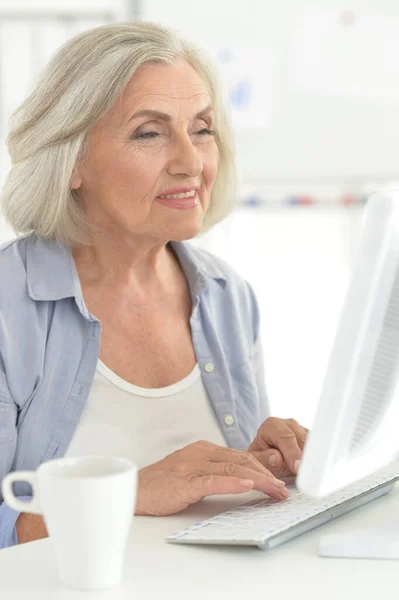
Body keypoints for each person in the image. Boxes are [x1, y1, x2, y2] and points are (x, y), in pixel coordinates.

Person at [0, 22, 308, 549]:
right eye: (150, 132)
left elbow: (209, 500)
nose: (191, 162)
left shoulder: (226, 294)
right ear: (72, 160)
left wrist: (260, 465)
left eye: (203, 129)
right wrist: (128, 493)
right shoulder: (11, 307)